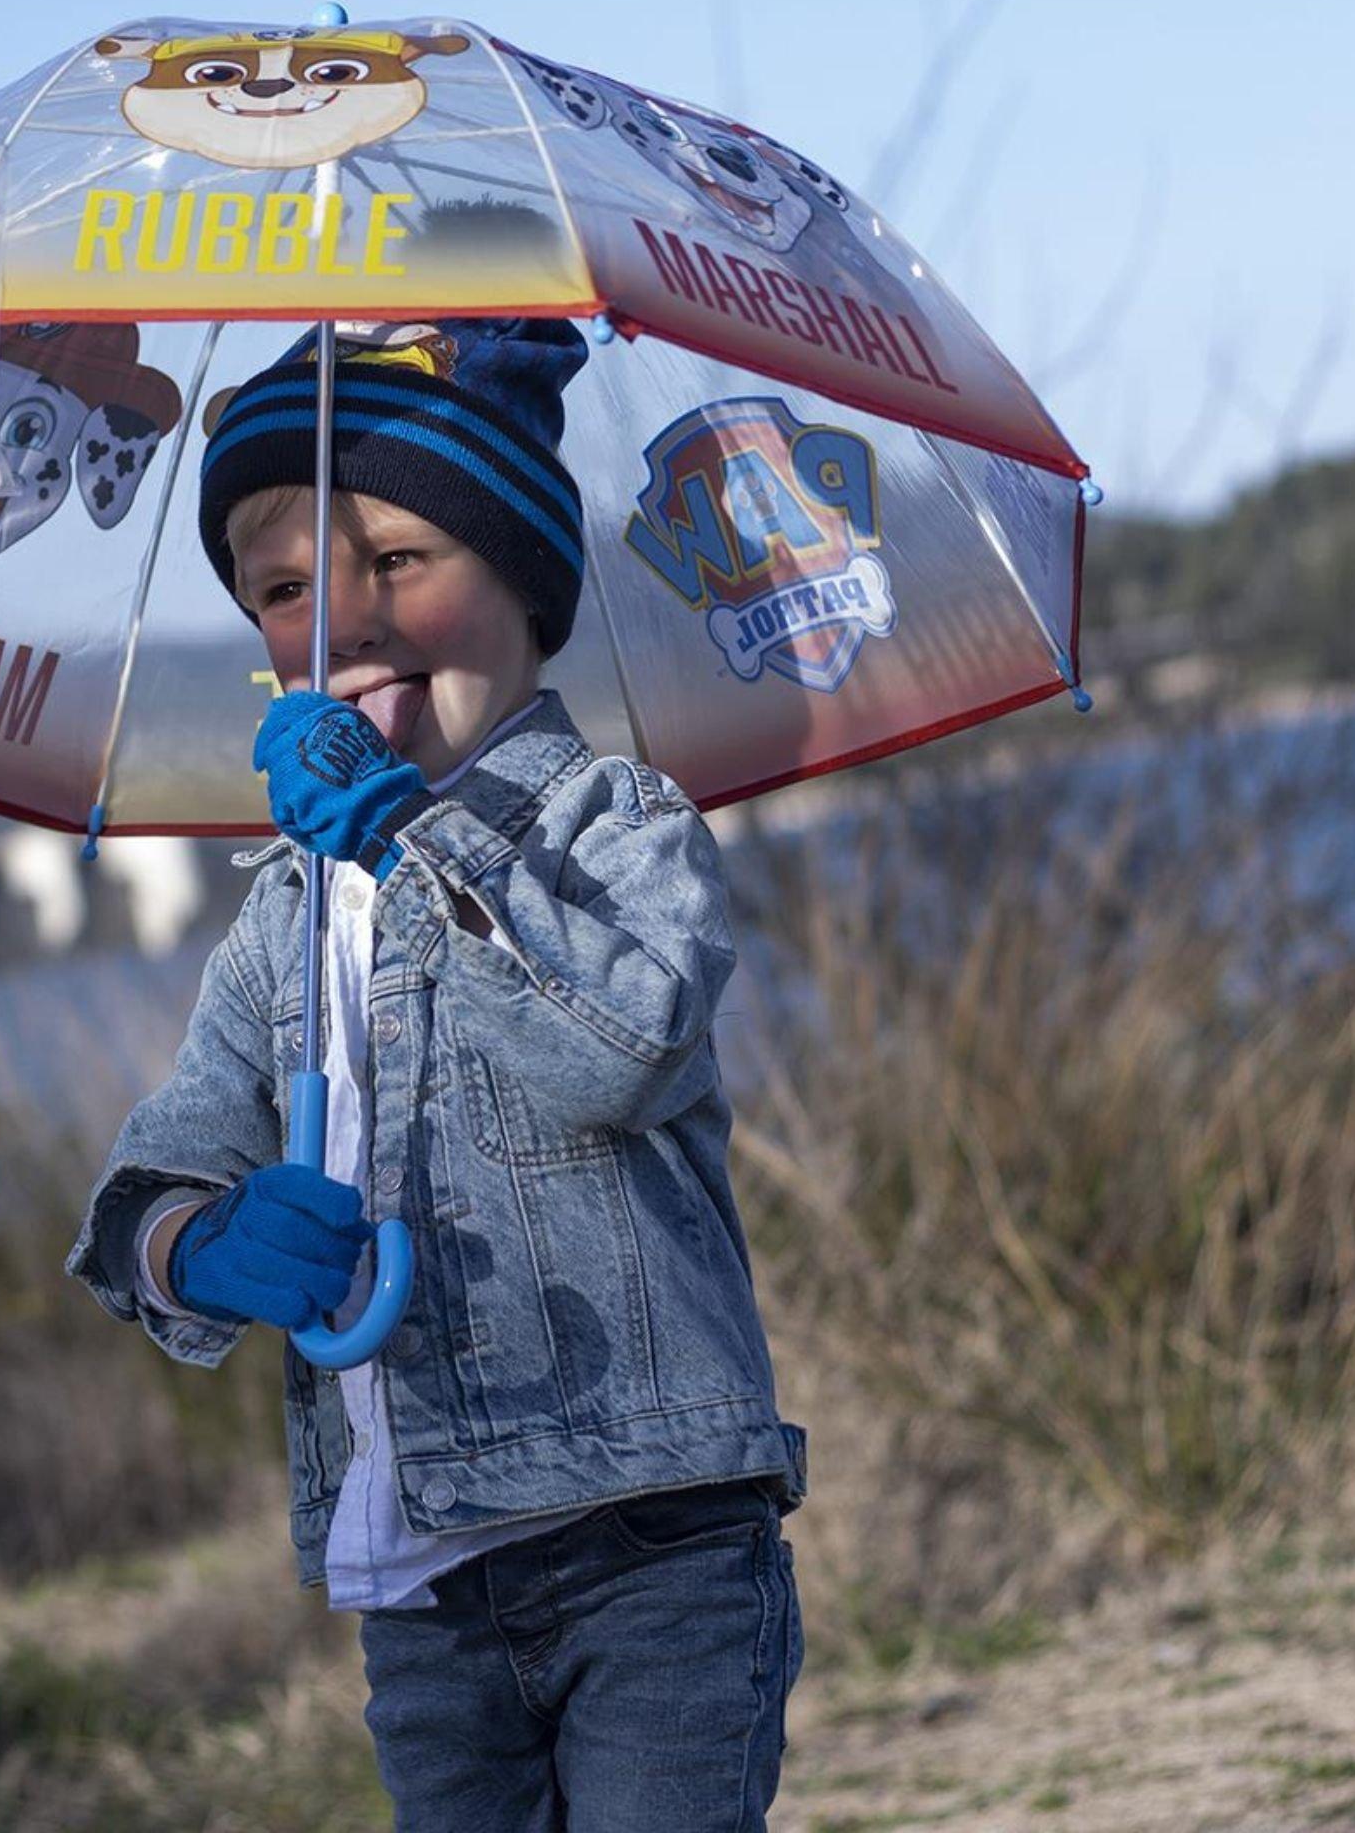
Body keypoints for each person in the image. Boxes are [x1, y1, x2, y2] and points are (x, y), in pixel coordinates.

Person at [68, 317, 807, 1832]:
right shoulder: (285, 916)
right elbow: (162, 1163)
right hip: (420, 1581)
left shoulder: (621, 824)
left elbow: (618, 1051)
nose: (345, 621)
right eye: (286, 590)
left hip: (654, 1544)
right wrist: (193, 1242)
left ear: (521, 583)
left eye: (398, 561)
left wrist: (406, 837)